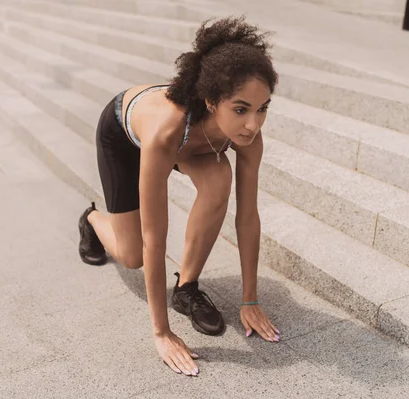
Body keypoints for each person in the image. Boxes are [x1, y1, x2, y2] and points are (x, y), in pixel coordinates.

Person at [77, 16, 279, 376]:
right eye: (241, 109)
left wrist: (250, 299)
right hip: (125, 136)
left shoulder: (249, 137)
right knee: (133, 253)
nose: (254, 124)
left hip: (197, 139)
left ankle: (186, 288)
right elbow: (155, 238)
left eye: (262, 108)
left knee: (219, 178)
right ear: (212, 101)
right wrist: (162, 332)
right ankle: (92, 219)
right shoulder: (165, 131)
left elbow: (248, 217)